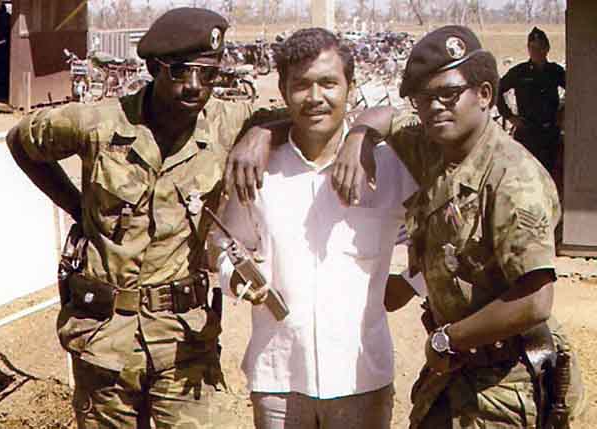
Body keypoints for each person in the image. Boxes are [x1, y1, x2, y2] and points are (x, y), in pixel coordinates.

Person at [226, 25, 584, 429]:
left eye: (448, 94)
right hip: (446, 377)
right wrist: (347, 134)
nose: (435, 107)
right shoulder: (431, 149)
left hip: (505, 379)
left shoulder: (510, 178)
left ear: (485, 95)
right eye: (423, 97)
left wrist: (442, 331)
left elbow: (535, 300)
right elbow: (376, 117)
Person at [6, 7, 277, 428]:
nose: (194, 86)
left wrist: (262, 133)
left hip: (185, 343)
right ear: (153, 68)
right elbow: (22, 139)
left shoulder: (227, 121)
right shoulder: (98, 122)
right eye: (180, 71)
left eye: (207, 74)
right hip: (104, 340)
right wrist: (75, 205)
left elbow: (301, 115)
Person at [215, 28, 422, 429]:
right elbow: (225, 241)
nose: (315, 97)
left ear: (351, 86)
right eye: (301, 85)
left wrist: (414, 283)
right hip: (279, 376)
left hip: (361, 376)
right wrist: (237, 278)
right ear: (282, 89)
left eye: (329, 83)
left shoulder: (389, 165)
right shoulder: (258, 166)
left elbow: (442, 231)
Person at [497, 27, 565, 176]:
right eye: (532, 47)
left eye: (540, 47)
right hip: (527, 133)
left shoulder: (556, 72)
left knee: (550, 176)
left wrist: (563, 112)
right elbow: (497, 91)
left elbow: (577, 93)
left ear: (547, 48)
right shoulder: (519, 72)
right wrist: (509, 116)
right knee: (526, 175)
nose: (536, 51)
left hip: (550, 134)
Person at [0, 0, 10, 99]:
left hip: (2, 46)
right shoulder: (6, 17)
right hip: (2, 46)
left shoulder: (5, 17)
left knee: (1, 71)